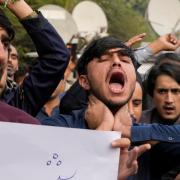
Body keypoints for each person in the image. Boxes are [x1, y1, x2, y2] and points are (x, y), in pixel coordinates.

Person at [0, 0, 70, 117]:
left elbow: (57, 56)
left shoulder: (16, 103)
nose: (2, 56)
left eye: (5, 44)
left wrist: (12, 2)